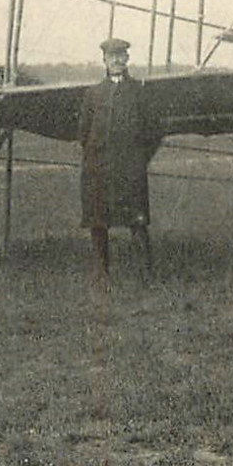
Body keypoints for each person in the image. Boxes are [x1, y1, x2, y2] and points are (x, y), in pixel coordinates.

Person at [77, 36, 162, 284]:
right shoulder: (93, 94)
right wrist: (94, 158)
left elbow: (154, 132)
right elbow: (83, 132)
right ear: (104, 60)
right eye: (111, 56)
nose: (116, 60)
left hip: (130, 170)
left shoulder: (139, 92)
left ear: (127, 59)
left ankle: (146, 275)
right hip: (99, 169)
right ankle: (102, 274)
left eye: (120, 56)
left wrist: (140, 160)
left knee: (137, 221)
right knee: (98, 222)